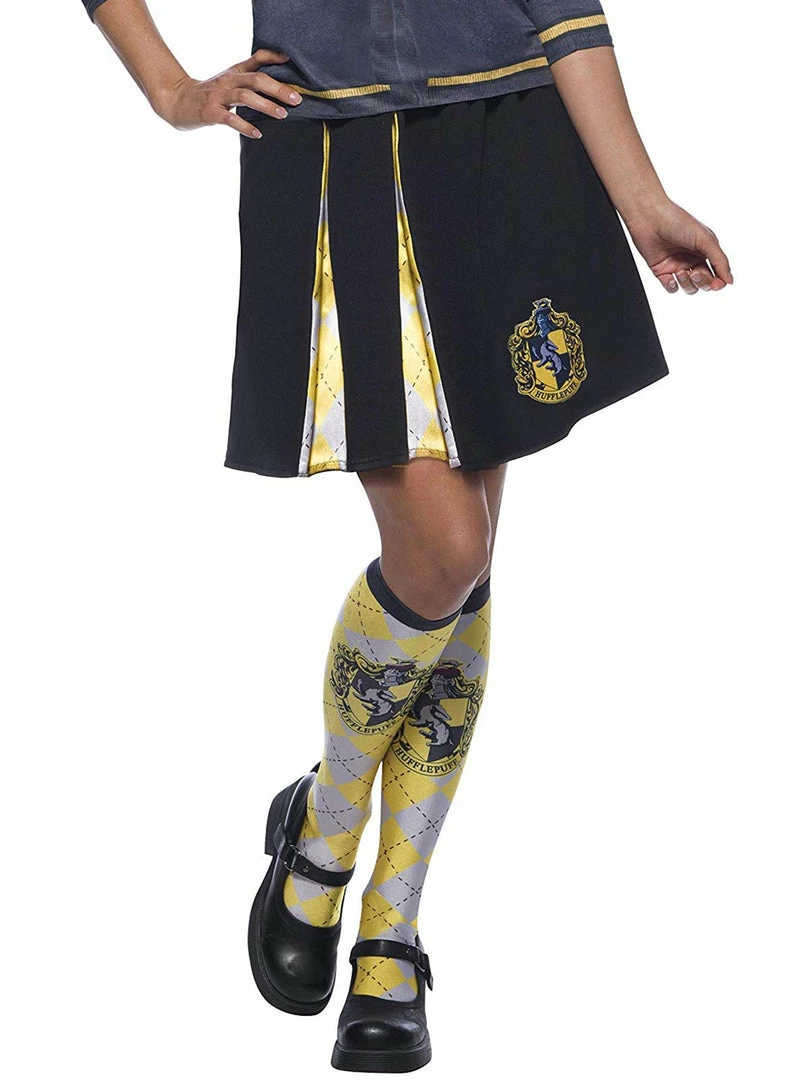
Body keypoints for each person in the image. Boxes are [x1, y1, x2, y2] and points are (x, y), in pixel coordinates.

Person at [77, 0, 733, 1071]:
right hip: (333, 150)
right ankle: (328, 822)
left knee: (467, 558)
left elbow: (560, 5)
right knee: (445, 554)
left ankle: (390, 919)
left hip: (511, 143)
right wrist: (172, 91)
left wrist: (641, 197)